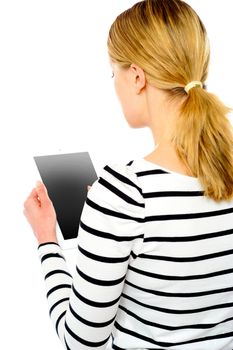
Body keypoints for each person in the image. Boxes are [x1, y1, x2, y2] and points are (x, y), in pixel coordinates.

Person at [23, 0, 233, 349]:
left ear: (136, 77)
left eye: (113, 73)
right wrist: (107, 218)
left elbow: (80, 340)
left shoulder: (124, 194)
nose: (115, 85)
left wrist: (47, 240)